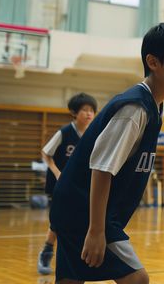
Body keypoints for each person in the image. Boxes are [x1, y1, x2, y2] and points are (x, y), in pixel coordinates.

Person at [50, 23, 164, 284]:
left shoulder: (154, 106)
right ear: (153, 62)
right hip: (83, 210)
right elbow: (101, 168)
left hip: (75, 205)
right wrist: (96, 231)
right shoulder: (135, 109)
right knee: (137, 279)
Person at [37, 92, 98, 275]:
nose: (89, 113)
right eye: (85, 110)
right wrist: (57, 172)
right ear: (74, 112)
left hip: (81, 185)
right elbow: (46, 153)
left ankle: (77, 258)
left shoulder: (93, 134)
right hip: (61, 186)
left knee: (79, 221)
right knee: (60, 219)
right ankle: (46, 252)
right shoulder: (64, 132)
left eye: (92, 110)